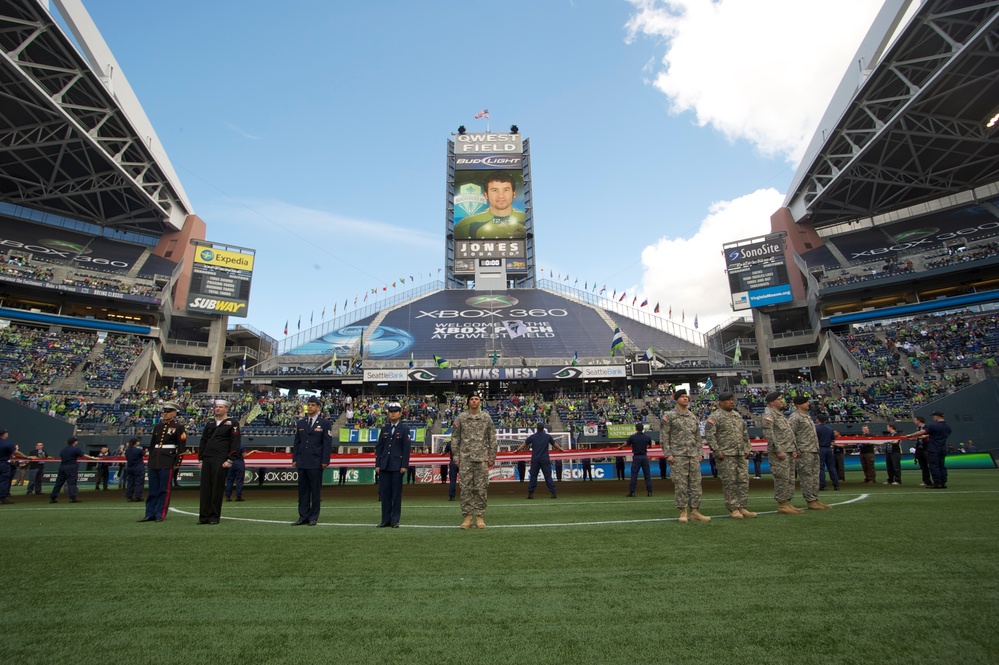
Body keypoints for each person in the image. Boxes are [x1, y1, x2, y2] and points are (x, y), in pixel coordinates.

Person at [661, 389, 710, 523]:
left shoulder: (692, 416)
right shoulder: (669, 416)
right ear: (676, 399)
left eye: (686, 396)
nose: (685, 399)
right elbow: (664, 437)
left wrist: (700, 452)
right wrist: (668, 454)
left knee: (696, 484)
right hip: (678, 455)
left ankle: (695, 511)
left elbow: (697, 436)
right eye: (682, 397)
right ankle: (683, 511)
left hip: (693, 455)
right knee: (681, 485)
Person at [704, 392, 755, 519]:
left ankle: (742, 506)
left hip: (740, 453)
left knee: (743, 480)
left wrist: (748, 449)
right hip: (726, 454)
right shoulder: (715, 417)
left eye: (732, 400)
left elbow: (744, 433)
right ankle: (733, 508)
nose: (731, 402)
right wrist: (717, 451)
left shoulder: (737, 416)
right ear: (720, 402)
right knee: (730, 482)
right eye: (728, 400)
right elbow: (710, 436)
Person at [450, 393, 497, 529]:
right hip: (465, 459)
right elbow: (455, 438)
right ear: (468, 402)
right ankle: (467, 517)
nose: (474, 401)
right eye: (472, 399)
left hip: (482, 458)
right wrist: (456, 457)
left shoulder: (486, 418)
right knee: (465, 489)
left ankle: (480, 517)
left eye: (476, 399)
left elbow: (492, 438)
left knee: (481, 489)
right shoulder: (461, 418)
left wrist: (492, 457)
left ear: (480, 402)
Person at [197, 399, 242, 525]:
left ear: (226, 409)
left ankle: (214, 517)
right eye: (216, 407)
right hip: (207, 458)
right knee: (205, 488)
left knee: (217, 488)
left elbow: (235, 442)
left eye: (221, 407)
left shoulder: (232, 423)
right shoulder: (210, 422)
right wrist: (200, 458)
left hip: (221, 458)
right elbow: (203, 440)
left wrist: (230, 459)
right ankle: (203, 517)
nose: (218, 409)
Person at [139, 402, 186, 522]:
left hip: (167, 460)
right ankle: (150, 513)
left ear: (174, 413)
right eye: (164, 412)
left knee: (164, 489)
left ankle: (160, 513)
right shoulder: (158, 427)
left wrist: (177, 462)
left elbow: (181, 447)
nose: (165, 414)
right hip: (155, 459)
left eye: (168, 412)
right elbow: (152, 445)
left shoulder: (178, 427)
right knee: (152, 489)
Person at [291, 395, 333, 526]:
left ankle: (313, 516)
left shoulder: (325, 423)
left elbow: (327, 443)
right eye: (308, 405)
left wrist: (325, 460)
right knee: (302, 491)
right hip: (302, 460)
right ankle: (303, 516)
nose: (310, 407)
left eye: (313, 405)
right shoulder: (301, 423)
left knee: (315, 491)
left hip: (316, 461)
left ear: (318, 407)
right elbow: (297, 442)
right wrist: (294, 458)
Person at [452, 171, 526, 240]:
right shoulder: (467, 224)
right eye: (494, 190)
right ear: (486, 195)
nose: (500, 195)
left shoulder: (526, 220)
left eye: (506, 190)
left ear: (514, 194)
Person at [762, 392, 803, 515]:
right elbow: (769, 434)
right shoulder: (768, 414)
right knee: (782, 478)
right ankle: (782, 503)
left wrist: (794, 449)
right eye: (779, 399)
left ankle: (787, 502)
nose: (782, 401)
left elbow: (788, 433)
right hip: (780, 451)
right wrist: (778, 449)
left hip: (788, 449)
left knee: (790, 478)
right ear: (771, 402)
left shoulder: (779, 414)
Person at [787, 396, 830, 510]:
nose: (808, 404)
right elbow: (790, 434)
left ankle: (815, 498)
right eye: (805, 402)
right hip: (804, 450)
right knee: (807, 476)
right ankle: (810, 500)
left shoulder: (807, 416)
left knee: (815, 475)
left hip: (813, 449)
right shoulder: (795, 417)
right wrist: (796, 449)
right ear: (799, 404)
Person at [375, 402, 411, 527]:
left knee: (396, 494)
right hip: (384, 465)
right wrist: (378, 464)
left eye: (395, 411)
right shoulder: (384, 428)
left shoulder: (404, 429)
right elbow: (379, 448)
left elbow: (406, 449)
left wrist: (404, 465)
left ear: (400, 414)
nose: (393, 414)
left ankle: (395, 520)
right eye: (391, 412)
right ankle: (385, 519)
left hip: (397, 466)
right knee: (385, 494)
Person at [900, 411, 952, 489]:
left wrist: (910, 435)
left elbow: (922, 432)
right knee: (941, 466)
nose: (933, 417)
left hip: (933, 448)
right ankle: (943, 482)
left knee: (934, 466)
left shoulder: (934, 426)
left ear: (937, 416)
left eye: (934, 416)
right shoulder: (948, 427)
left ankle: (937, 483)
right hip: (942, 448)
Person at [516, 423, 563, 499]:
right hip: (545, 459)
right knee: (548, 476)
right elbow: (555, 444)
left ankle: (531, 493)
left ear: (537, 428)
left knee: (533, 476)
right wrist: (560, 449)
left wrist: (517, 450)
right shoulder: (547, 436)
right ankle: (553, 492)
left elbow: (524, 444)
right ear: (543, 428)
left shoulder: (533, 437)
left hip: (535, 459)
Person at [49, 437, 96, 503]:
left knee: (59, 483)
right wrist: (92, 458)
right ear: (74, 442)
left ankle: (53, 497)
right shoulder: (75, 449)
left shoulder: (63, 449)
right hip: (71, 467)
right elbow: (83, 455)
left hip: (62, 466)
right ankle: (72, 497)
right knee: (72, 482)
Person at [619, 423, 653, 498]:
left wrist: (620, 447)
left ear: (636, 429)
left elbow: (626, 443)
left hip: (637, 457)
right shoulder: (647, 437)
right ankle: (649, 491)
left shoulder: (633, 437)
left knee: (634, 475)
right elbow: (650, 445)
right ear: (642, 428)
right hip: (644, 457)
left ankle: (632, 491)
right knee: (647, 475)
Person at [0, 430, 29, 504]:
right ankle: (3, 497)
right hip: (3, 464)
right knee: (4, 481)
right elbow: (16, 453)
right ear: (4, 435)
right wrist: (26, 457)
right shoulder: (7, 444)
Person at [816, 415, 839, 491]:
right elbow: (833, 439)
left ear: (817, 420)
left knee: (820, 467)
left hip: (821, 448)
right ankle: (836, 484)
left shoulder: (816, 428)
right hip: (828, 448)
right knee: (831, 467)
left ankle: (823, 485)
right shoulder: (829, 429)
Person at [910, 416, 932, 486]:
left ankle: (936, 480)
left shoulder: (927, 427)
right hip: (919, 449)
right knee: (923, 466)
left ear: (918, 420)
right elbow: (918, 438)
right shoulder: (918, 428)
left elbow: (931, 435)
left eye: (915, 420)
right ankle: (926, 481)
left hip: (926, 448)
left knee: (931, 465)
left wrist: (926, 436)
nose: (914, 421)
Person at [124, 437, 146, 502]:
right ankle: (138, 496)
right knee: (139, 483)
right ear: (136, 443)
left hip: (130, 468)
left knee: (130, 483)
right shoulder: (138, 450)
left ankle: (129, 496)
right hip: (138, 468)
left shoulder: (127, 450)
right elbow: (146, 454)